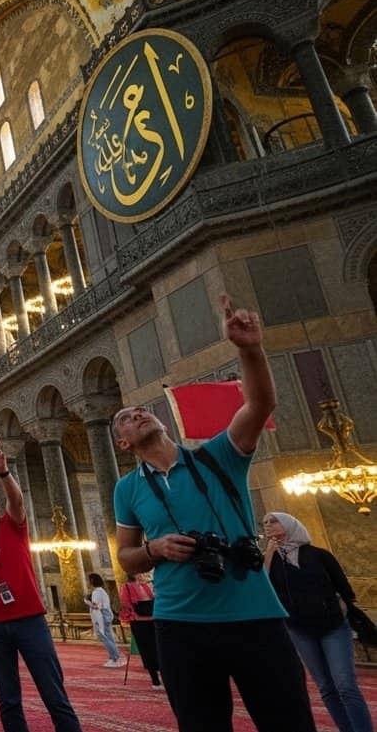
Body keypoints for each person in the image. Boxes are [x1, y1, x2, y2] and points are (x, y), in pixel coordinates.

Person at [114, 295, 314, 732]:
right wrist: (155, 548)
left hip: (256, 616)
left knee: (290, 722)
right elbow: (125, 557)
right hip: (180, 625)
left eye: (141, 409)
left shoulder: (218, 457)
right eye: (127, 418)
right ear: (124, 444)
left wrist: (250, 350)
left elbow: (259, 406)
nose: (138, 412)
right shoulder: (127, 488)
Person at [0, 438, 82, 732]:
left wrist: (3, 472)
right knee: (8, 698)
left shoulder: (13, 525)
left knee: (53, 693)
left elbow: (16, 501)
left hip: (29, 620)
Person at [264, 511, 372, 732]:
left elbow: (345, 589)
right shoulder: (273, 561)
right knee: (325, 687)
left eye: (273, 521)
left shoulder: (318, 555)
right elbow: (263, 590)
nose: (267, 525)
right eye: (264, 523)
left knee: (345, 685)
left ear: (289, 524)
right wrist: (268, 554)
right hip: (299, 630)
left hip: (333, 627)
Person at [117, 572, 160, 689]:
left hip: (152, 619)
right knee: (147, 650)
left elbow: (154, 599)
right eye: (139, 572)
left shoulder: (145, 585)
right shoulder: (126, 586)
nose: (142, 574)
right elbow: (125, 604)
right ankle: (155, 680)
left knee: (158, 647)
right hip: (139, 621)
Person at [84, 574, 123, 668]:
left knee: (105, 637)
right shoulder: (101, 591)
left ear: (92, 581)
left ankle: (115, 657)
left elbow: (96, 606)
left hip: (101, 617)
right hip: (105, 616)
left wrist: (86, 601)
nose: (87, 582)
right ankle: (113, 657)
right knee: (108, 637)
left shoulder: (97, 592)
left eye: (88, 580)